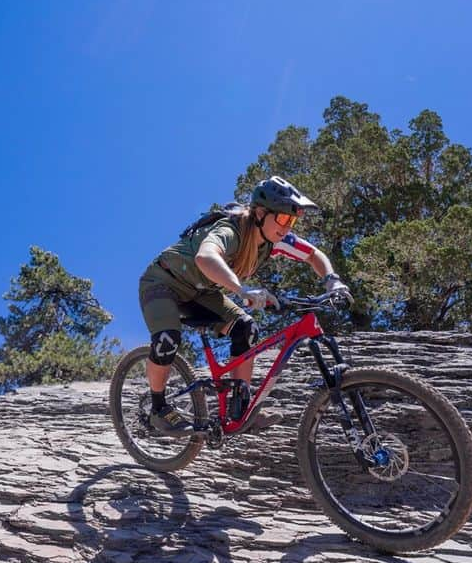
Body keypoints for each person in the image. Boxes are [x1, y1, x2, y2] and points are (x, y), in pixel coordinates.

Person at [138, 176, 352, 436]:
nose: (287, 227)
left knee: (246, 328)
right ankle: (158, 407)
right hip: (163, 283)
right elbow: (206, 257)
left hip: (201, 292)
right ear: (260, 213)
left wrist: (333, 282)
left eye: (292, 221)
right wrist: (241, 290)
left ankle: (241, 410)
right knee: (167, 339)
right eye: (283, 218)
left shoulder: (274, 240)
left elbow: (313, 255)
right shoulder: (232, 230)